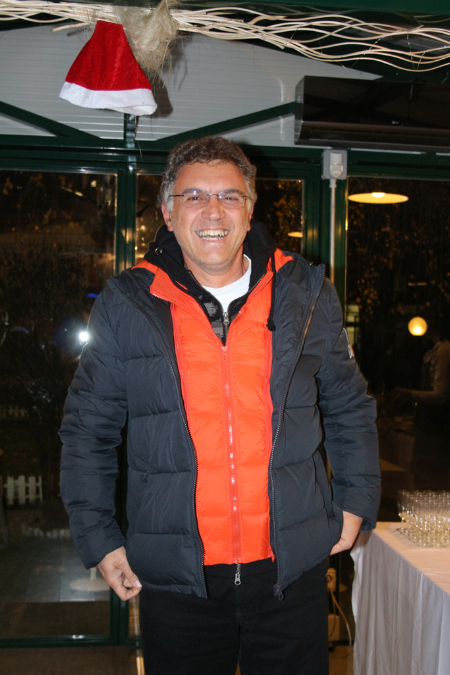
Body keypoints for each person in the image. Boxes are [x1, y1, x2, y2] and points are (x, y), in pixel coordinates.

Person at [60, 136, 380, 675]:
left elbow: (350, 406)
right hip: (178, 580)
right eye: (194, 197)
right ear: (167, 213)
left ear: (250, 209)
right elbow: (87, 431)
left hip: (290, 571)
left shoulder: (304, 293)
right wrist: (98, 537)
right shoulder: (128, 302)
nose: (213, 212)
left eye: (229, 196)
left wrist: (356, 499)